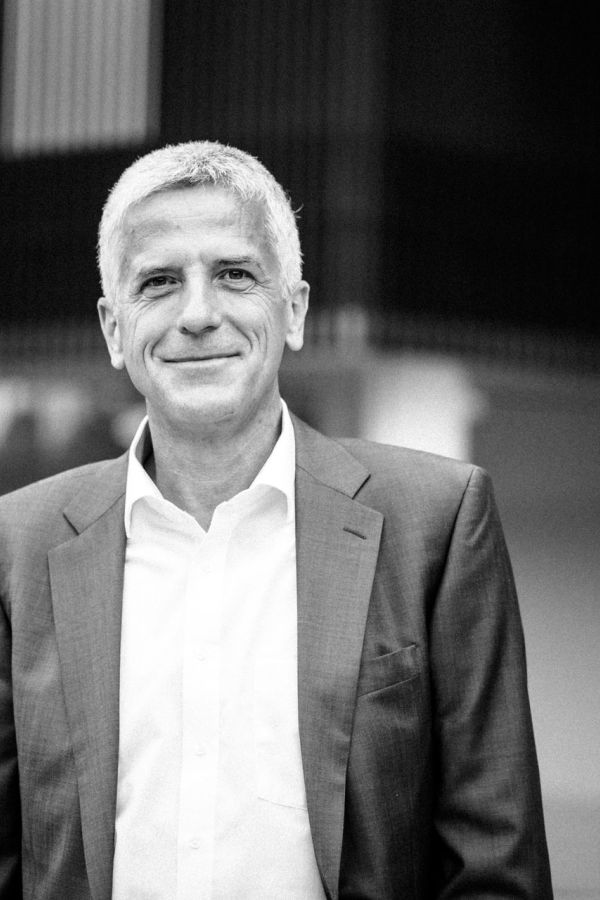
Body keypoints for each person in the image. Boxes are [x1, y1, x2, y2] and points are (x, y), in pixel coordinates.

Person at [0, 141, 553, 899]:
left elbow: (495, 865)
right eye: (159, 282)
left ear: (293, 310)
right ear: (113, 328)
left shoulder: (437, 524)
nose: (199, 314)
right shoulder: (16, 547)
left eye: (235, 274)